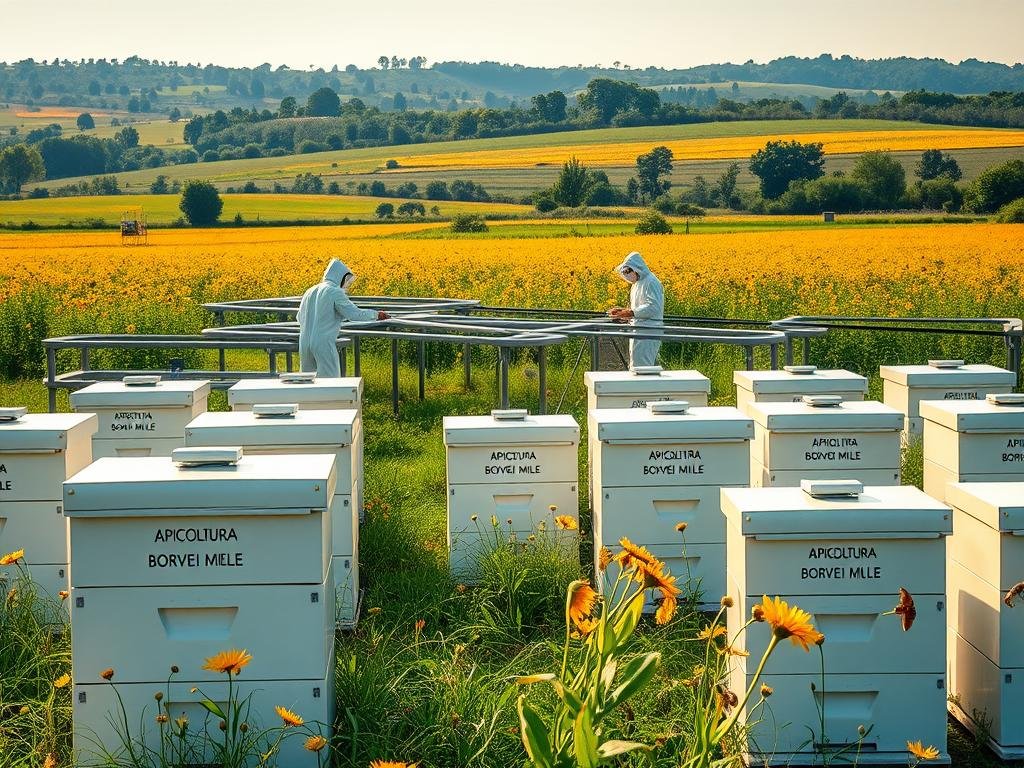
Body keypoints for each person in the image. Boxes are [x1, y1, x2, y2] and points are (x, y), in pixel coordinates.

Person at [297, 258, 389, 377]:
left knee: (306, 382)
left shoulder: (309, 291)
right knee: (331, 383)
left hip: (304, 343)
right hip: (323, 343)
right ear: (340, 276)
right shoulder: (334, 291)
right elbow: (354, 314)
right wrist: (376, 315)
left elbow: (300, 317)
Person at [608, 251, 664, 368]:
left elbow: (653, 307)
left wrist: (631, 313)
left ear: (636, 268)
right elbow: (638, 307)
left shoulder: (651, 282)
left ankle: (646, 386)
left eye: (627, 271)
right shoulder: (637, 284)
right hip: (638, 329)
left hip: (648, 331)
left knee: (643, 367)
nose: (626, 275)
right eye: (624, 272)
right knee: (636, 365)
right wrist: (624, 312)